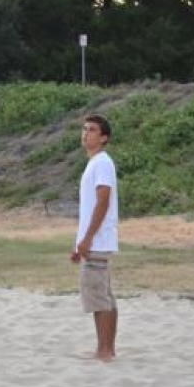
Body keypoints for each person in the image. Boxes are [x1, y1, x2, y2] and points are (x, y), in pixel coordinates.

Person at [70, 114, 119, 362]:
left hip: (97, 241)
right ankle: (107, 348)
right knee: (104, 296)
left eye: (92, 130)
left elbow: (103, 200)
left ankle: (105, 350)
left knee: (99, 299)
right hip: (94, 241)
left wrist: (88, 238)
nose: (85, 133)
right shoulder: (96, 163)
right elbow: (90, 207)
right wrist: (78, 243)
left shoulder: (101, 162)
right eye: (84, 129)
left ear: (103, 137)